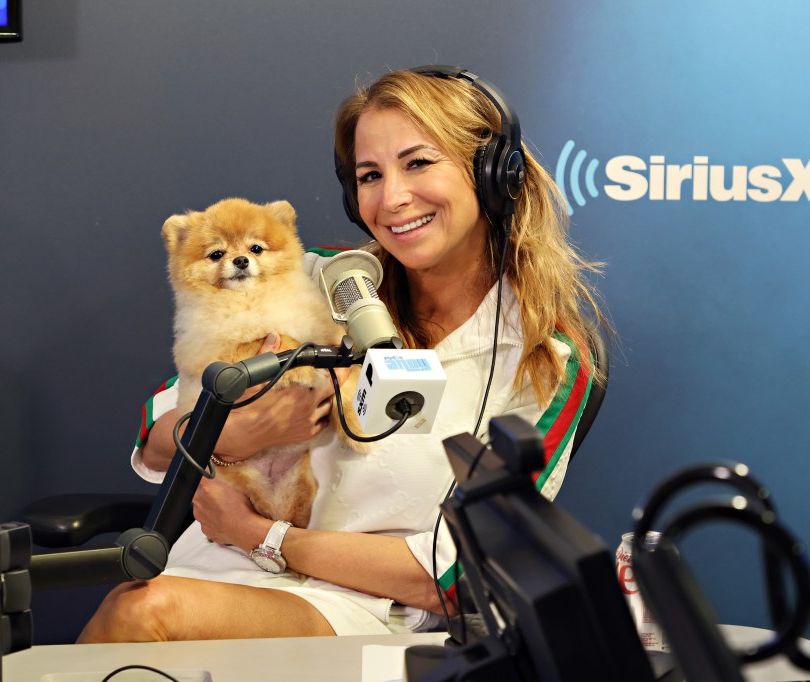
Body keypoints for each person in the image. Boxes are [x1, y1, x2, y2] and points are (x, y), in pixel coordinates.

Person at [78, 66, 608, 642]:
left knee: (144, 614)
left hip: (361, 610)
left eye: (418, 163)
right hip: (206, 570)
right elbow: (156, 443)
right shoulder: (319, 279)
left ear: (491, 172)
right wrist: (233, 433)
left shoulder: (543, 359)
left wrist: (263, 536)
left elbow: (454, 576)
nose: (392, 198)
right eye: (369, 175)